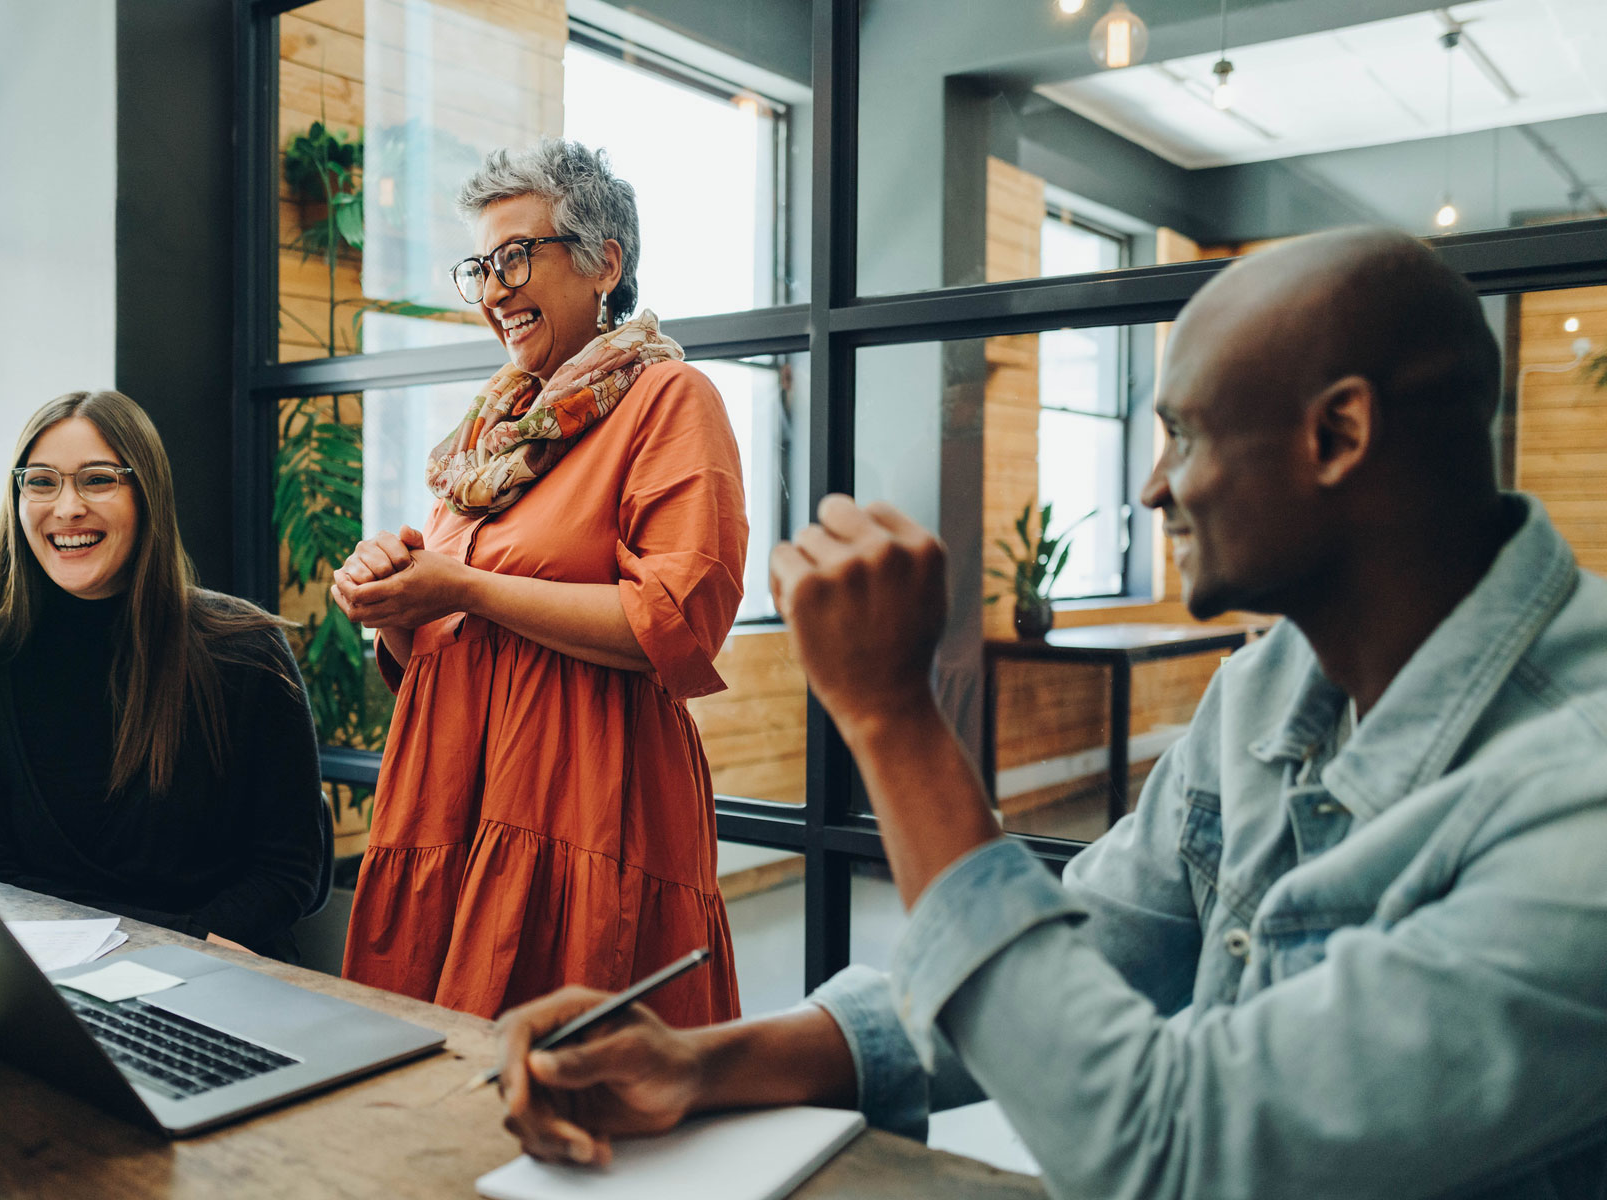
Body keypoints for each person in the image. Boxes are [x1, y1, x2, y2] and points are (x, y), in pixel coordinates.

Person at [488, 228, 1607, 1198]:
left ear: (1338, 437)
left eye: (1187, 434)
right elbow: (1084, 960)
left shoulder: (1580, 806)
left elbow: (1172, 1157)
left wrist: (892, 717)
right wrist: (704, 1065)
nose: (1153, 487)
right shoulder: (1269, 685)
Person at [330, 139, 746, 1025]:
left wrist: (464, 588)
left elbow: (673, 623)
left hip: (585, 806)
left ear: (606, 263)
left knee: (579, 1090)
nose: (492, 291)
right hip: (449, 801)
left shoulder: (670, 400)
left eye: (517, 256)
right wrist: (393, 600)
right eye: (480, 267)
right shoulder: (491, 437)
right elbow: (432, 652)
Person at [0, 390, 328, 962]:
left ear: (147, 495)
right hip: (49, 983)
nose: (66, 508)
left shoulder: (245, 648)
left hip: (222, 971)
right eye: (41, 481)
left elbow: (289, 872)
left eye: (97, 479)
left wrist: (173, 953)